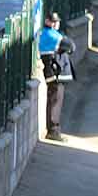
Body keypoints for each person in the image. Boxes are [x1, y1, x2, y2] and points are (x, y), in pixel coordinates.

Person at [38, 11, 77, 143]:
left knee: (52, 100)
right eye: (54, 21)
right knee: (55, 101)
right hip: (56, 74)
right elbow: (72, 46)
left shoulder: (42, 33)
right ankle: (53, 131)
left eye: (57, 21)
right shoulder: (54, 35)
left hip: (49, 72)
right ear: (48, 22)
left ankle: (53, 129)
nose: (56, 23)